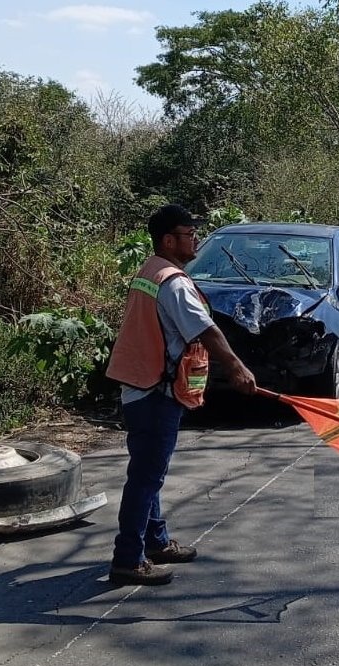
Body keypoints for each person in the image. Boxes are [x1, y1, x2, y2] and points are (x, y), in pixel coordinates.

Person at [104, 203, 257, 586]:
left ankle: (155, 541)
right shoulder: (173, 281)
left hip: (140, 386)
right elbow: (204, 330)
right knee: (145, 477)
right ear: (169, 240)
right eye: (190, 234)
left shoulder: (148, 271)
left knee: (148, 472)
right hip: (155, 392)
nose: (196, 240)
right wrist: (236, 367)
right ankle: (128, 559)